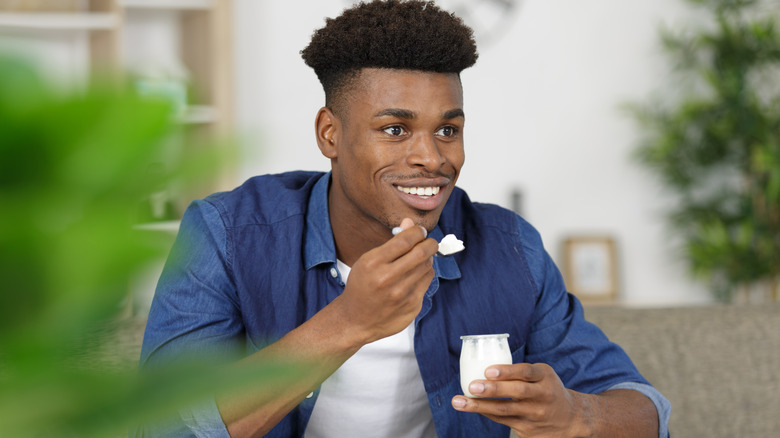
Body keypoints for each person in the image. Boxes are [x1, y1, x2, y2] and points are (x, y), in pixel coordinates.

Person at [138, 1, 671, 437]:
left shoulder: (510, 247)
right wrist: (348, 321)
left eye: (447, 130)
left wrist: (577, 415)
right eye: (395, 129)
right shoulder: (228, 235)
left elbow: (645, 409)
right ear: (330, 134)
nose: (432, 158)